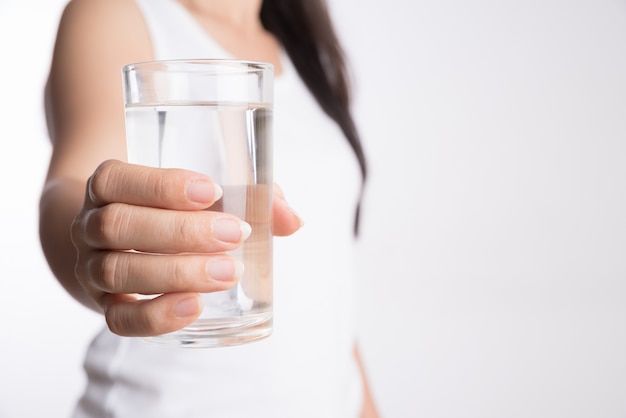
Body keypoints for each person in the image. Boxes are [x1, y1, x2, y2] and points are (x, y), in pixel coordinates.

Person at [40, 0, 379, 417]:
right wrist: (97, 238)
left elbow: (327, 289)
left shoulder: (310, 55)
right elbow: (72, 184)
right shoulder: (116, 14)